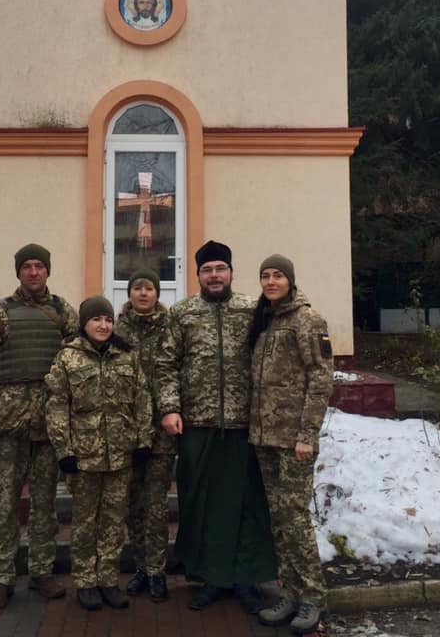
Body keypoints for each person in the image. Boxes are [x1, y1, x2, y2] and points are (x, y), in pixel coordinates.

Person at [156, 240, 278, 613]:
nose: (214, 276)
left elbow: (272, 358)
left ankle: (244, 579)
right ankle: (209, 577)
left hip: (245, 424)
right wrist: (170, 408)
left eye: (220, 269)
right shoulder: (182, 314)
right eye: (207, 270)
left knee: (246, 505)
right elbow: (165, 365)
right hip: (199, 424)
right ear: (197, 276)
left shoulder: (252, 310)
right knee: (202, 504)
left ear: (230, 272)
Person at [0, 243, 78, 612]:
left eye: (39, 266)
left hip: (48, 424)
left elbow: (80, 362)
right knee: (8, 503)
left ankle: (42, 572)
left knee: (45, 503)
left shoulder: (63, 312)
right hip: (10, 425)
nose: (32, 272)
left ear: (47, 271)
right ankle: (1, 577)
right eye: (26, 266)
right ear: (18, 272)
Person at [45, 296, 153, 612]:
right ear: (84, 324)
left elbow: (142, 399)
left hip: (120, 456)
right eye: (96, 320)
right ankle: (86, 582)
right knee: (85, 522)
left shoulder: (126, 357)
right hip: (83, 457)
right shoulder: (68, 358)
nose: (104, 325)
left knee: (113, 521)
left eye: (108, 319)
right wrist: (64, 450)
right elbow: (55, 406)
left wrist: (143, 441)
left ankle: (107, 579)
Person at [248, 254, 333, 635]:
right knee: (279, 521)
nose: (270, 281)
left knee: (296, 519)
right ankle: (291, 592)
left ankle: (313, 597)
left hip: (293, 440)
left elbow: (320, 379)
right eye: (265, 276)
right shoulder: (264, 321)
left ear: (290, 280)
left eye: (277, 275)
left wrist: (306, 435)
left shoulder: (307, 320)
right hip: (264, 438)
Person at [115, 269, 175, 602]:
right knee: (133, 505)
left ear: (157, 292)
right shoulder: (116, 328)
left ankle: (157, 571)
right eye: (137, 288)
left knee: (155, 506)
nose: (142, 293)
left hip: (161, 434)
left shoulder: (170, 327)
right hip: (127, 433)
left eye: (148, 288)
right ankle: (140, 567)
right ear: (129, 293)